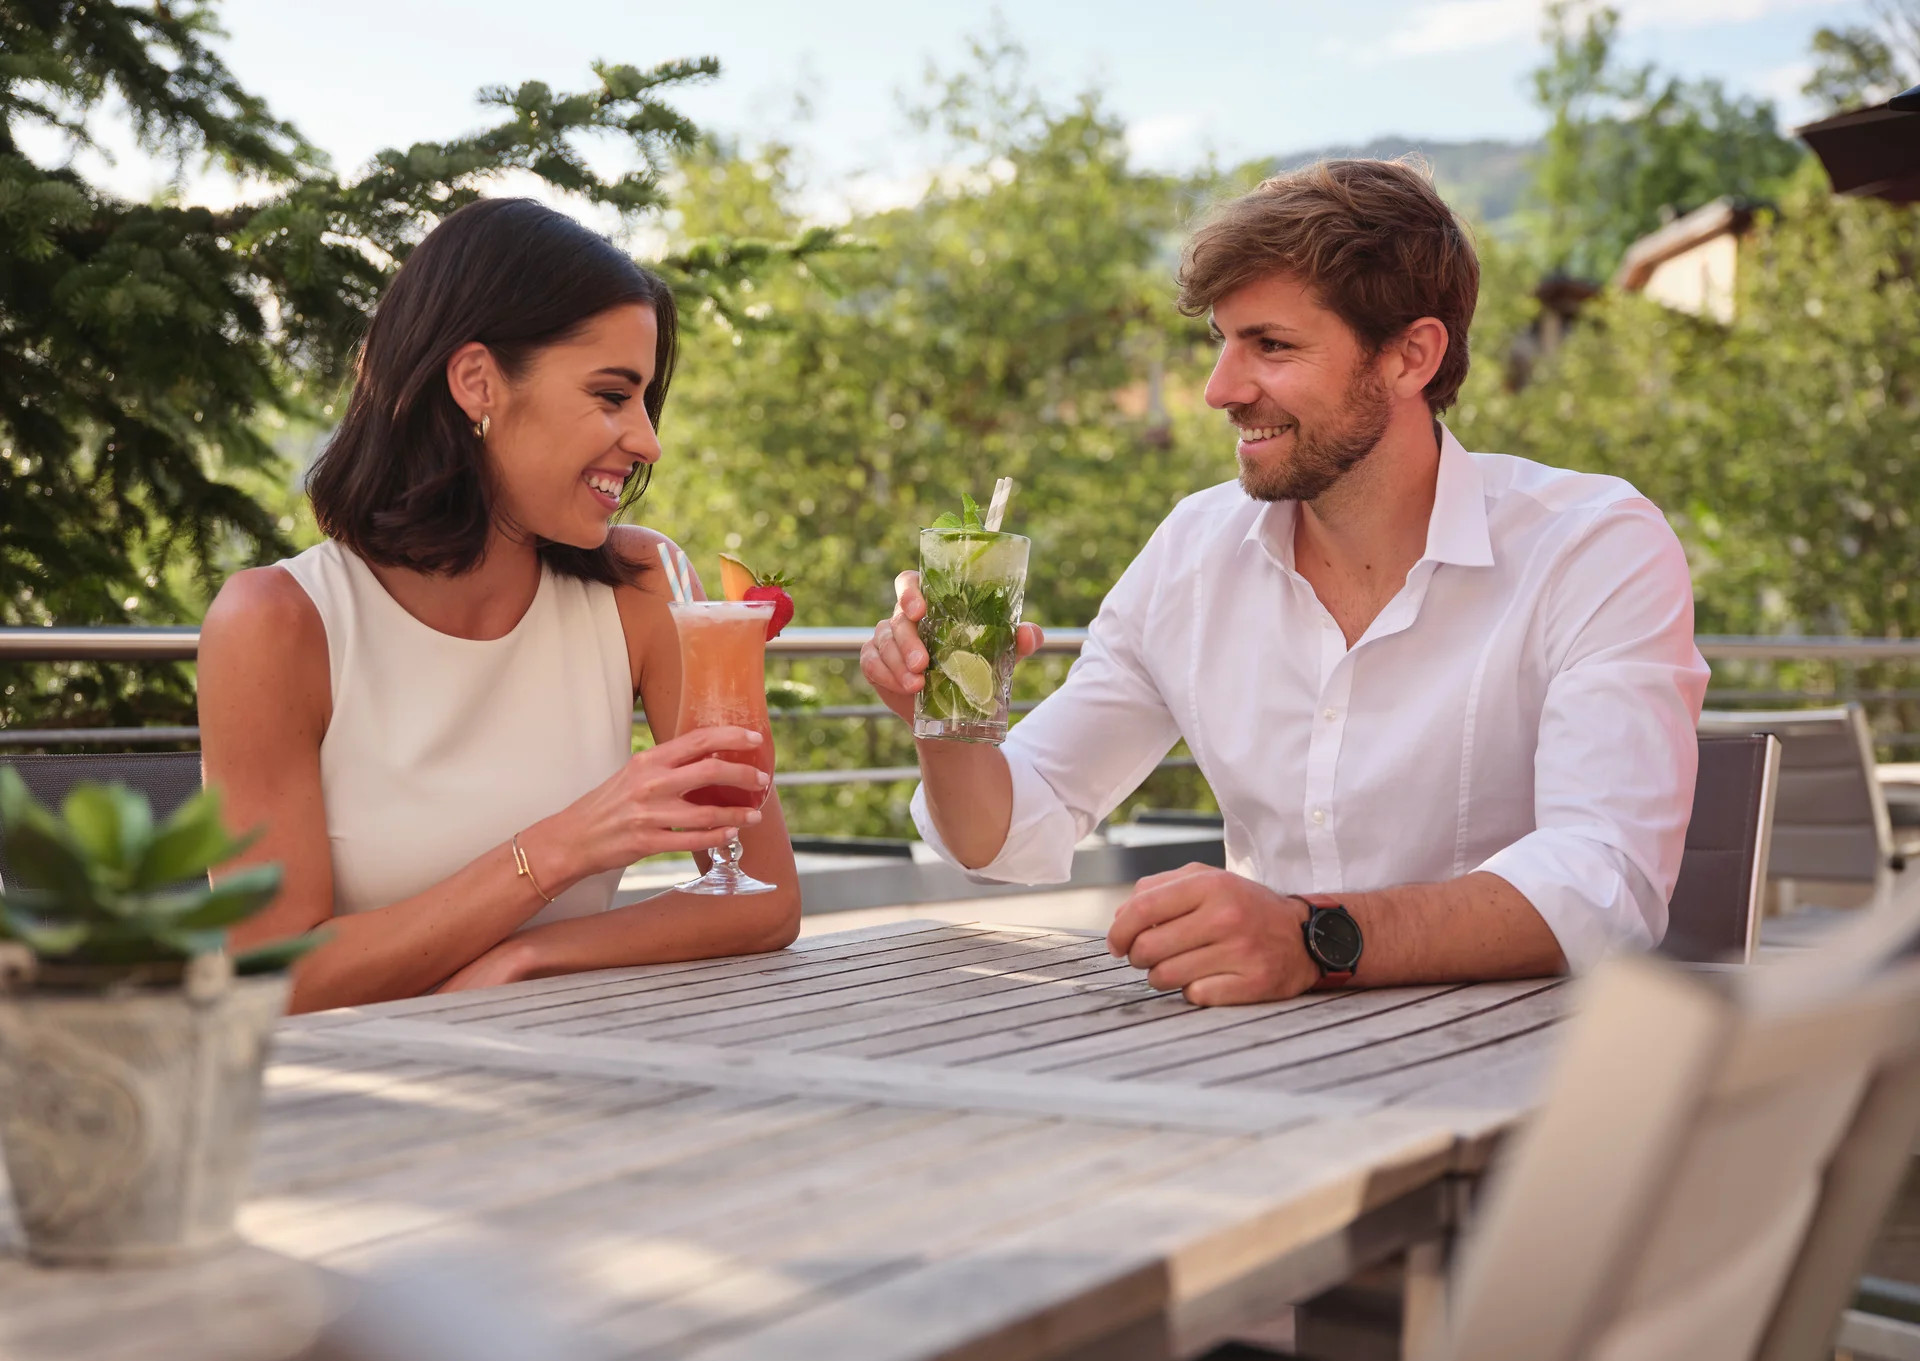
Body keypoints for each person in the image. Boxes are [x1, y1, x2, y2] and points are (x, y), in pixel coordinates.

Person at [862, 158, 1709, 1010]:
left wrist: (1312, 937)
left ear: (1411, 356)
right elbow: (1007, 831)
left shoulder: (1593, 544)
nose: (1219, 390)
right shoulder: (1193, 550)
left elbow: (1605, 882)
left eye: (1271, 345)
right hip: (1260, 1055)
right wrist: (947, 722)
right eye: (1222, 342)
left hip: (1521, 1068)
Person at [199, 198, 800, 1014]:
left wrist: (530, 956)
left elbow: (762, 896)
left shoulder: (643, 586)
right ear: (477, 382)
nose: (649, 442)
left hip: (581, 1075)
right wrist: (555, 851)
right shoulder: (276, 623)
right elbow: (269, 976)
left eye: (644, 400)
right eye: (612, 395)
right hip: (347, 1109)